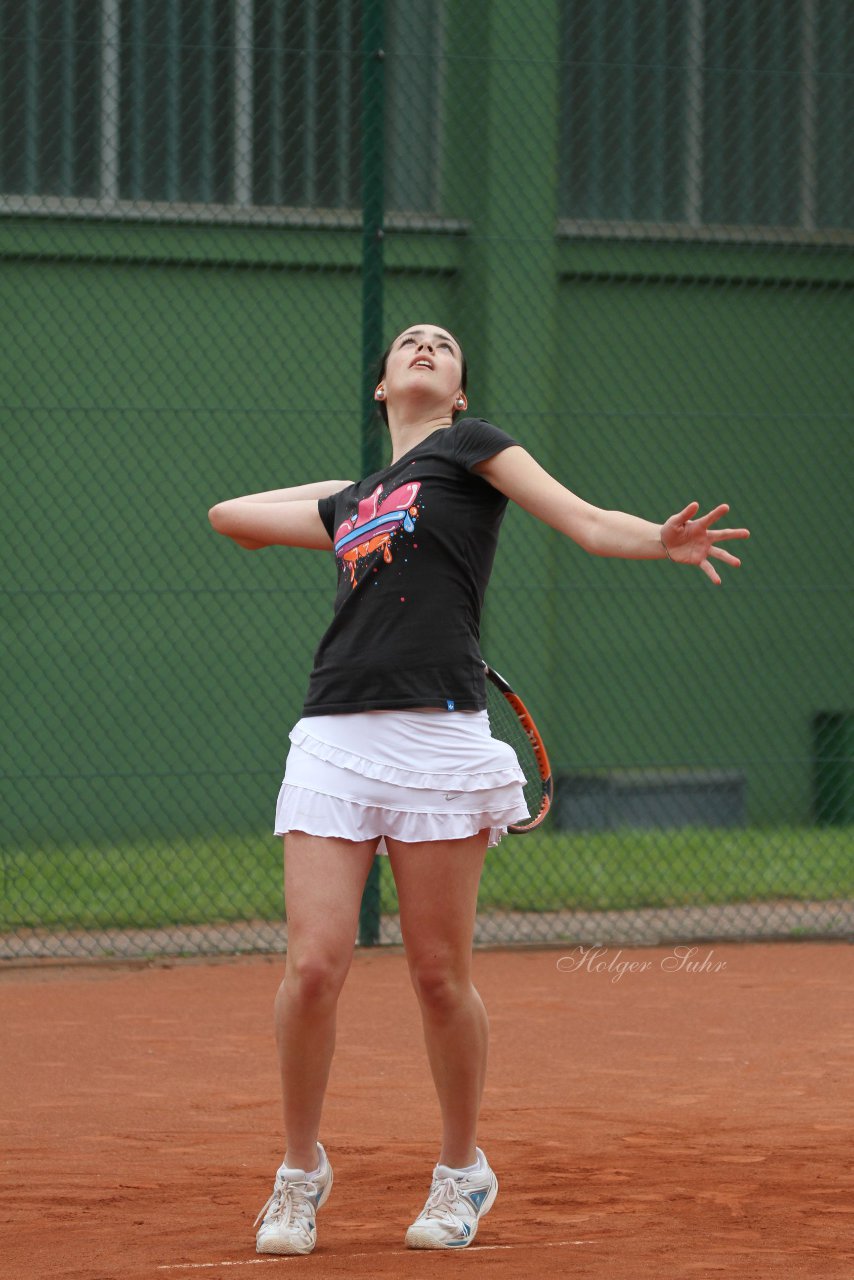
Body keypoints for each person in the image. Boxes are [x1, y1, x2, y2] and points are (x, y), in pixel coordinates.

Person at [208, 322, 749, 1256]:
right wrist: (352, 491)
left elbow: (583, 522)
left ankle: (462, 1172)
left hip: (439, 739)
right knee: (313, 970)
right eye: (406, 343)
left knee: (436, 974)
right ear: (381, 384)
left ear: (458, 392)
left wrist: (657, 540)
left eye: (443, 345)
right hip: (334, 733)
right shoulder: (353, 504)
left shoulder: (473, 447)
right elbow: (231, 513)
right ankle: (300, 1175)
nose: (424, 345)